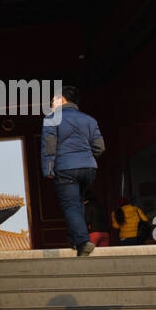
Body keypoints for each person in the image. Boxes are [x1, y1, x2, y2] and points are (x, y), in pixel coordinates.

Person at [41, 85, 105, 256]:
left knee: (71, 206)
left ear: (62, 99)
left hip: (66, 168)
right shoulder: (90, 120)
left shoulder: (52, 118)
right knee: (78, 203)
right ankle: (74, 238)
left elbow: (49, 146)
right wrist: (86, 159)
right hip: (89, 169)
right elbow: (100, 147)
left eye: (53, 100)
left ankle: (84, 242)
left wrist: (48, 169)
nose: (51, 103)